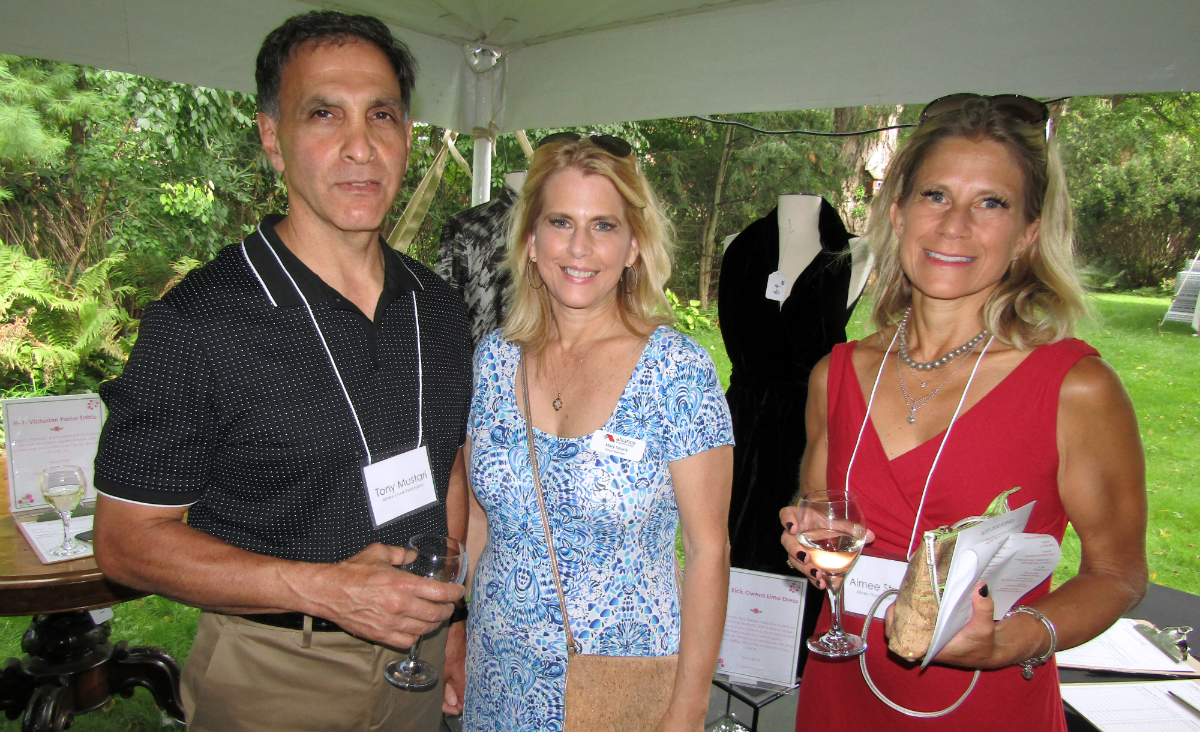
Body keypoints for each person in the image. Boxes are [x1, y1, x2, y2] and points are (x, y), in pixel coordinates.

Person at [92, 11, 472, 732]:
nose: (360, 146)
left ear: (407, 135)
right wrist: (324, 589)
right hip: (275, 672)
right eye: (324, 114)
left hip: (417, 666)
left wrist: (451, 618)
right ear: (272, 138)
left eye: (381, 115)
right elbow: (125, 541)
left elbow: (446, 469)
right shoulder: (200, 321)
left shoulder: (440, 307)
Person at [779, 94, 1147, 730]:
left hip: (984, 703)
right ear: (898, 213)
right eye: (936, 195)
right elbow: (823, 509)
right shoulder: (833, 375)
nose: (955, 225)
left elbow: (1118, 573)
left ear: (1028, 232)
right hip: (842, 691)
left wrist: (1009, 642)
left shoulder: (1074, 388)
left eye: (991, 203)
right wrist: (807, 537)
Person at [457, 134, 734, 731]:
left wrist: (688, 708)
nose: (579, 247)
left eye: (603, 225)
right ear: (531, 241)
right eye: (561, 222)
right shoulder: (494, 361)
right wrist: (456, 627)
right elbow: (478, 518)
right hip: (497, 680)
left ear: (633, 246)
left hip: (620, 688)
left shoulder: (677, 372)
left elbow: (708, 550)